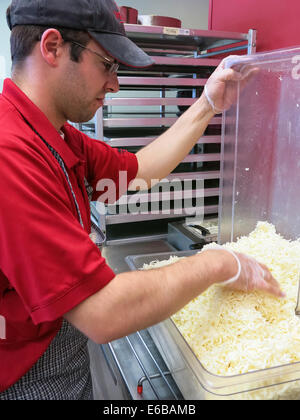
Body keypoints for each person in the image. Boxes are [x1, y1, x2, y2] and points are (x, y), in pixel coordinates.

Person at [0, 0, 284, 400]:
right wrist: (219, 263)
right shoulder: (11, 154)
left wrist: (207, 104)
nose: (115, 84)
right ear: (52, 47)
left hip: (57, 342)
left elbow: (140, 171)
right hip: (21, 375)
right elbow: (103, 312)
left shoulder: (55, 134)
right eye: (107, 64)